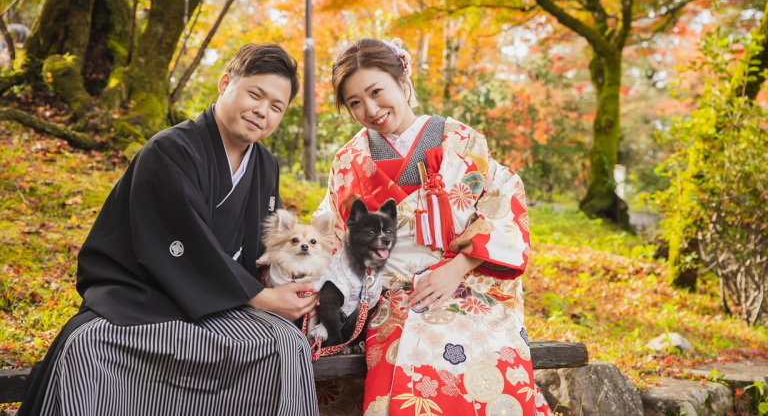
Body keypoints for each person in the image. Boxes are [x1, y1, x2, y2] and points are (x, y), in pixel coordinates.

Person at [18, 43, 320, 416]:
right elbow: (185, 241)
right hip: (146, 292)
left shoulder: (265, 165)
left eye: (277, 107)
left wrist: (286, 282)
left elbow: (259, 246)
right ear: (225, 83)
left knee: (286, 345)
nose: (262, 111)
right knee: (90, 345)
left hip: (221, 297)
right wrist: (259, 298)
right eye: (254, 95)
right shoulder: (170, 150)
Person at [313, 38, 553, 415]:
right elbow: (331, 234)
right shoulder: (348, 161)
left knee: (484, 348)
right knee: (407, 348)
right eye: (355, 102)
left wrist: (458, 267)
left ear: (402, 79)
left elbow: (504, 200)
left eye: (377, 92)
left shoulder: (461, 139)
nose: (371, 109)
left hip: (469, 286)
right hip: (388, 298)